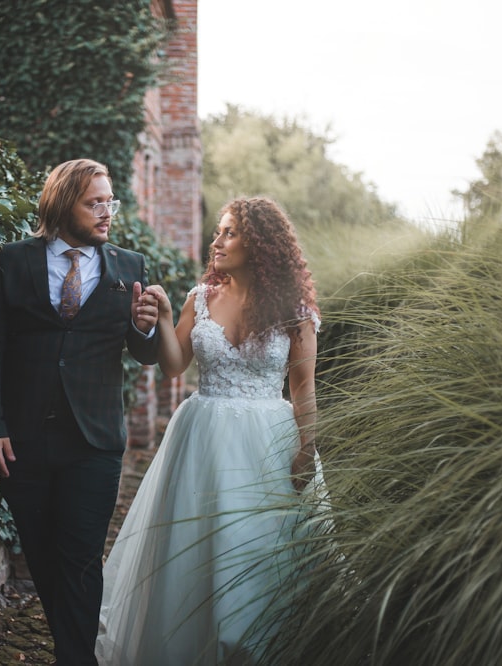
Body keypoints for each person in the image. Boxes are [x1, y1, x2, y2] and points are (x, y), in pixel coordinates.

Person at [96, 196, 325, 665]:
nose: (216, 242)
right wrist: (162, 319)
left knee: (261, 552)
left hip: (269, 442)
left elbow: (304, 388)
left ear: (259, 245)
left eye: (229, 233)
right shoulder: (200, 299)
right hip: (202, 437)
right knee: (194, 552)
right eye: (218, 231)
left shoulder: (294, 310)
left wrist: (307, 448)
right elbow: (174, 367)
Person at [0, 158, 161, 665]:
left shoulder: (130, 267)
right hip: (22, 439)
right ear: (62, 203)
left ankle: (76, 659)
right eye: (94, 202)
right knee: (42, 555)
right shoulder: (13, 260)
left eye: (109, 201)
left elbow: (145, 353)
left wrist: (145, 327)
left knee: (79, 559)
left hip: (94, 440)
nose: (106, 212)